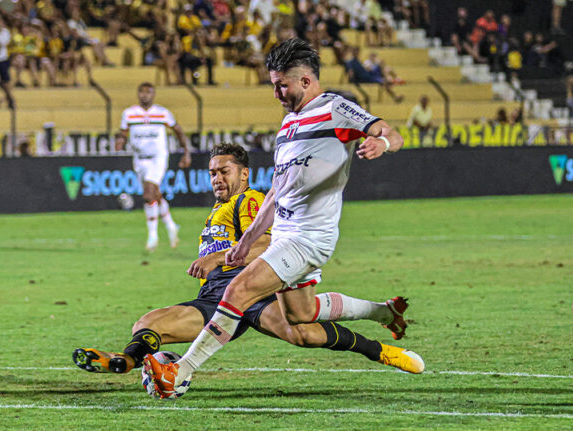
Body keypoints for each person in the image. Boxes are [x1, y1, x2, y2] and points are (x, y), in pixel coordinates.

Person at [144, 38, 408, 398]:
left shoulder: (336, 108)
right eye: (273, 85)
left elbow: (391, 132)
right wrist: (248, 240)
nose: (277, 93)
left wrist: (383, 144)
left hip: (309, 237)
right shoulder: (288, 125)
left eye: (282, 85)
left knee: (238, 290)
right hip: (284, 232)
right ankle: (383, 312)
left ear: (305, 81)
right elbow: (276, 191)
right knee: (302, 314)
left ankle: (182, 371)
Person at [72, 143, 420, 378]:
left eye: (224, 171)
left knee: (302, 335)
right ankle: (123, 361)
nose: (216, 178)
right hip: (214, 299)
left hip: (255, 295)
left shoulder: (249, 201)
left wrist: (218, 259)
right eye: (212, 172)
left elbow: (268, 246)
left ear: (244, 175)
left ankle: (381, 351)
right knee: (149, 322)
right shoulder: (217, 210)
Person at [116, 82, 192, 251]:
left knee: (148, 194)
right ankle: (171, 226)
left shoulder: (162, 113)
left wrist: (186, 152)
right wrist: (120, 140)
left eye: (148, 92)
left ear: (153, 94)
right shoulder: (129, 114)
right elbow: (122, 132)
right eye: (142, 92)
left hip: (158, 158)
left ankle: (152, 236)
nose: (145, 95)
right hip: (139, 160)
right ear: (138, 94)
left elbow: (178, 130)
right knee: (156, 194)